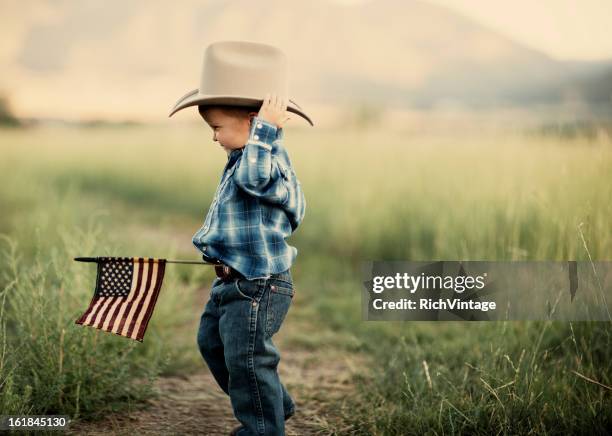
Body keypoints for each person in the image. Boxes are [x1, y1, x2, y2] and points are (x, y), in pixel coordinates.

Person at [168, 41, 313, 436]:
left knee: (248, 359)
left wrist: (265, 130)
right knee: (212, 344)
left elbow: (255, 180)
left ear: (252, 122)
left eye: (216, 128)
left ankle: (262, 428)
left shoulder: (267, 159)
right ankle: (272, 406)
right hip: (232, 281)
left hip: (257, 285)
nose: (213, 137)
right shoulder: (241, 159)